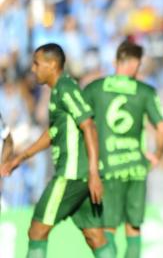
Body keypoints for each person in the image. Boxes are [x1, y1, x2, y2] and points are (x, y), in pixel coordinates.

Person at [0, 43, 114, 258]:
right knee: (94, 236)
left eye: (37, 64)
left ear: (52, 65)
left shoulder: (65, 88)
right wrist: (21, 157)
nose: (33, 69)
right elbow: (54, 133)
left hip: (71, 174)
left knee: (37, 231)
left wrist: (93, 174)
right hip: (80, 177)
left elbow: (88, 125)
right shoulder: (58, 91)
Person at [83, 40, 163, 258]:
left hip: (108, 166)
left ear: (116, 61)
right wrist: (156, 156)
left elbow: (82, 124)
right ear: (136, 64)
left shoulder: (95, 88)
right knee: (133, 226)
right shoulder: (145, 91)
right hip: (136, 168)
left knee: (108, 227)